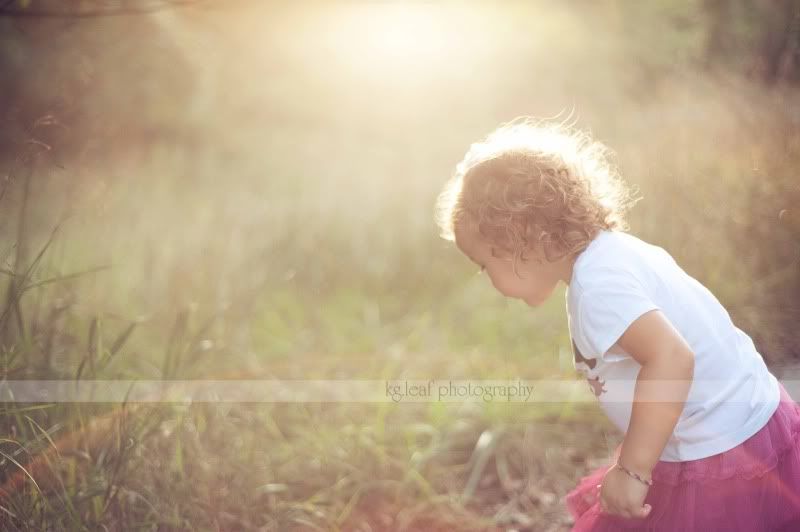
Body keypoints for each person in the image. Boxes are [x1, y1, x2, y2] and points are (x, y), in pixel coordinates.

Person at [434, 117, 800, 531]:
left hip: (722, 452)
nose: (487, 278)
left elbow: (672, 358)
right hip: (746, 421)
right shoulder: (611, 255)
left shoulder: (597, 288)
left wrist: (634, 470)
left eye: (485, 264)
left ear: (522, 238)